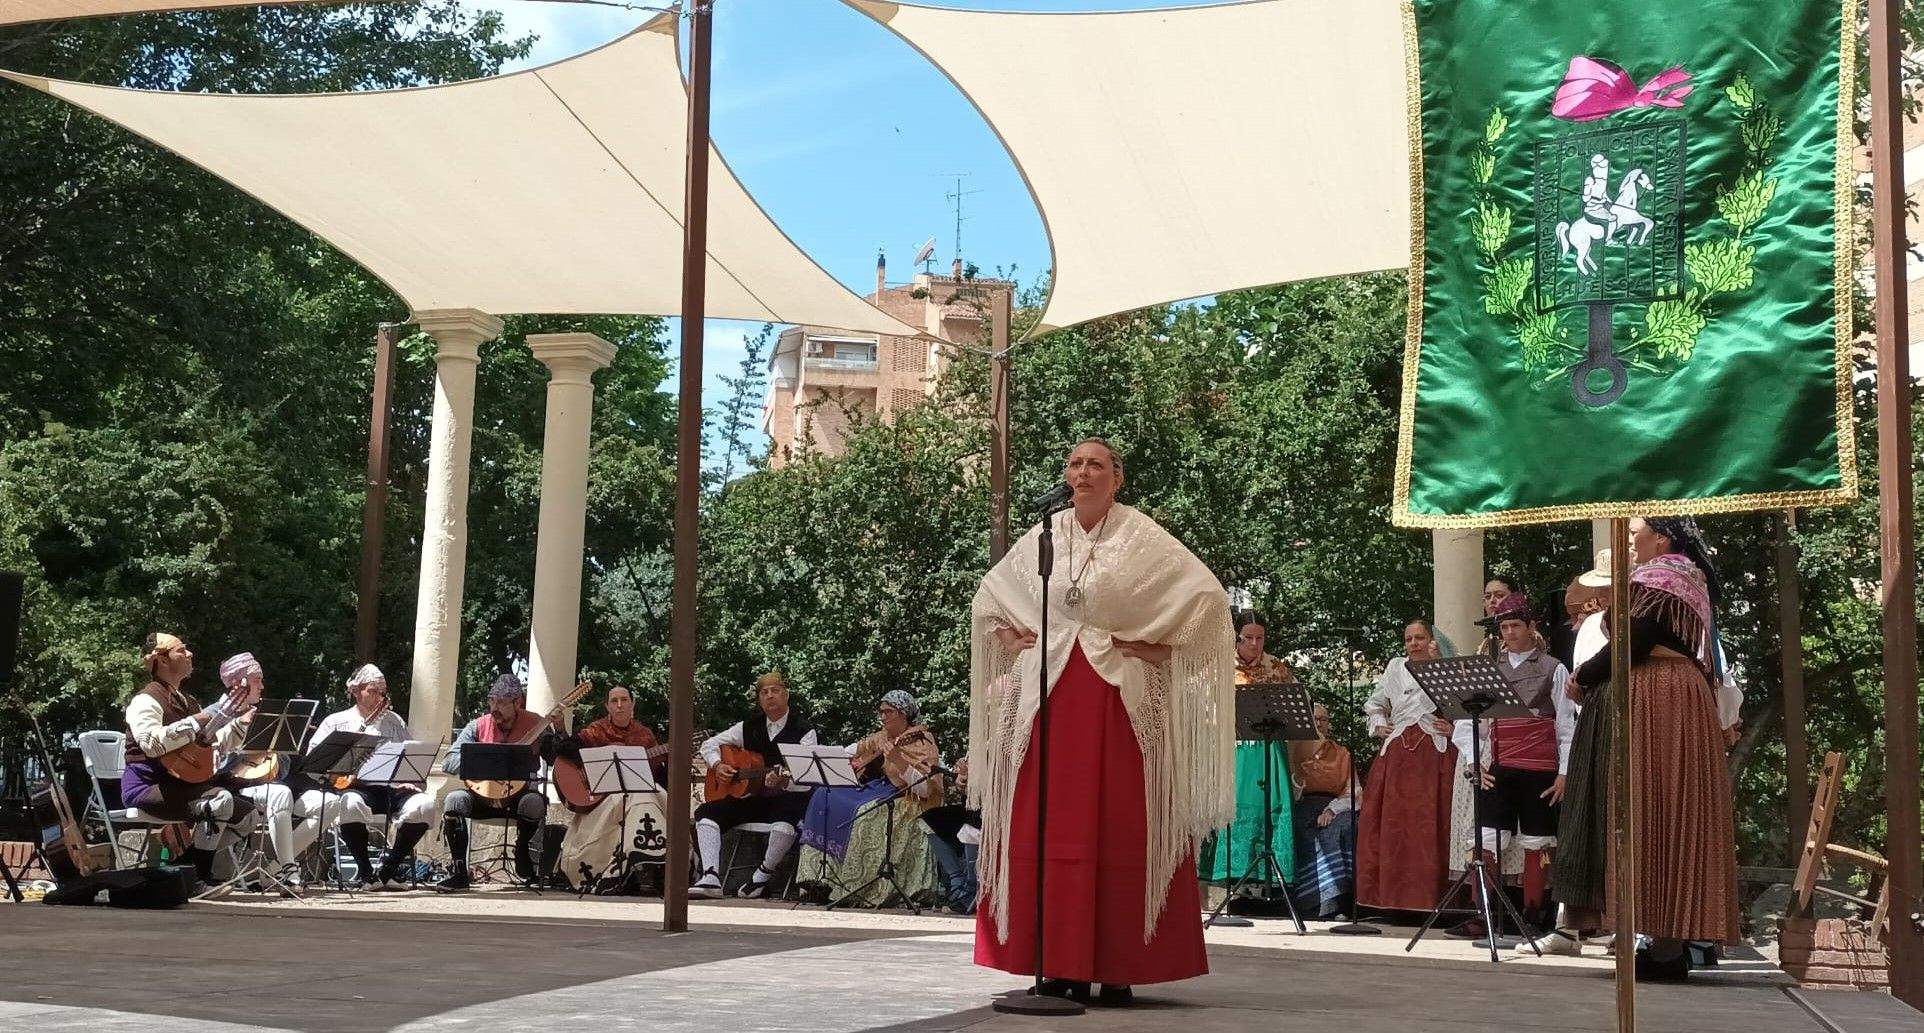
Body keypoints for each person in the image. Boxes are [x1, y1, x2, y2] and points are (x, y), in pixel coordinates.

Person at [970, 438, 1234, 1007]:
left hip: (1118, 701)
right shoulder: (1046, 533)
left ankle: (1119, 965)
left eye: (1095, 464)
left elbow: (1207, 601)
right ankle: (1057, 963)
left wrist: (1158, 647)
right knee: (1052, 827)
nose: (1082, 472)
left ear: (1117, 477)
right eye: (1074, 464)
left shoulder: (1142, 536)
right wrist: (1010, 638)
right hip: (1047, 700)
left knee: (1121, 827)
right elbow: (991, 597)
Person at [1566, 516, 1740, 978]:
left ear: (1661, 538)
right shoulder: (1683, 577)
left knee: (1653, 806)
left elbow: (1634, 639)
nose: (1627, 538)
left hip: (1660, 699)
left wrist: (1584, 674)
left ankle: (1664, 948)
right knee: (1666, 810)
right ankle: (1665, 946)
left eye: (1633, 531)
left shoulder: (1664, 576)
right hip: (1671, 696)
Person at [1450, 595, 1575, 939]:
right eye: (1504, 627)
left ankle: (1534, 916)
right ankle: (1484, 916)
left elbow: (1566, 724)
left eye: (1515, 626)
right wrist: (1476, 762)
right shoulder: (1490, 669)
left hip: (1540, 769)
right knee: (1487, 838)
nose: (1509, 633)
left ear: (1531, 626)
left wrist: (1564, 772)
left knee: (1537, 842)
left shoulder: (1554, 668)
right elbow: (1471, 724)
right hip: (1501, 765)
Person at [119, 632, 260, 888]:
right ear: (162, 660)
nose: (190, 654)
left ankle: (187, 864)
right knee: (219, 801)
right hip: (147, 787)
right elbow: (151, 745)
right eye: (181, 651)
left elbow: (212, 745)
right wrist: (199, 720)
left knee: (249, 817)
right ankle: (199, 877)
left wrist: (240, 722)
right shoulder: (145, 700)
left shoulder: (189, 701)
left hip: (185, 785)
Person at [797, 690, 945, 907]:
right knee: (824, 795)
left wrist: (898, 761)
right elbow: (854, 749)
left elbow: (925, 789)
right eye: (881, 712)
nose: (883, 717)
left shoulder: (922, 741)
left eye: (888, 712)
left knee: (867, 812)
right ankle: (820, 879)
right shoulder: (882, 736)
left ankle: (855, 886)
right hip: (879, 789)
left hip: (908, 800)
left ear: (903, 714)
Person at [297, 663, 438, 888]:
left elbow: (408, 755)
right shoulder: (336, 721)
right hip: (356, 788)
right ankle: (366, 873)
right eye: (373, 690)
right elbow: (315, 761)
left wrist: (410, 779)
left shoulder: (394, 721)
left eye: (382, 691)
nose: (379, 696)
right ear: (355, 691)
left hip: (391, 787)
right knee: (350, 804)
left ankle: (388, 871)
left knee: (425, 805)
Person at [1355, 619, 1457, 914]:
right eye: (1409, 638)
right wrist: (1378, 724)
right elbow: (1374, 704)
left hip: (1434, 752)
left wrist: (1450, 725)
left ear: (1431, 640)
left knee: (1432, 822)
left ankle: (1434, 899)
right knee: (1393, 825)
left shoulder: (1444, 667)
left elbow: (1460, 703)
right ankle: (1392, 900)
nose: (1414, 643)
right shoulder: (1395, 666)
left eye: (1420, 637)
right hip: (1398, 752)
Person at [691, 672, 817, 899]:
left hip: (787, 798)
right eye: (764, 692)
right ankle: (710, 876)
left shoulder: (804, 731)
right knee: (707, 813)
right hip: (753, 797)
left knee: (785, 824)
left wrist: (784, 781)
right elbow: (709, 744)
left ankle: (762, 875)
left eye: (775, 690)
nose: (770, 696)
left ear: (786, 695)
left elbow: (806, 777)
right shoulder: (748, 726)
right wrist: (717, 765)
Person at [437, 674, 565, 890]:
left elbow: (557, 759)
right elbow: (449, 761)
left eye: (502, 702)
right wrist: (484, 765)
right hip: (481, 798)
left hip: (519, 798)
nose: (495, 707)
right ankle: (460, 872)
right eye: (492, 701)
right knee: (454, 800)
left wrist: (559, 729)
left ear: (518, 702)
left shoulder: (536, 724)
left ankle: (523, 851)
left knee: (533, 803)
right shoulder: (477, 726)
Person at [1199, 615, 1294, 890]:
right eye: (1248, 637)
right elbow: (1203, 706)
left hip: (1269, 750)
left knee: (1270, 807)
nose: (1254, 643)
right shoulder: (1218, 666)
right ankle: (1231, 877)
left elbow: (1296, 706)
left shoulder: (1277, 667)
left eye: (1259, 637)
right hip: (1235, 748)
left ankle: (1267, 880)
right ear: (1236, 637)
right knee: (1236, 806)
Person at [555, 685, 669, 892]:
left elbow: (659, 776)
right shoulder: (596, 730)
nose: (619, 705)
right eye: (614, 701)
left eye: (624, 700)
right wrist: (603, 754)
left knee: (659, 795)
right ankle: (620, 869)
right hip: (602, 798)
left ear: (632, 704)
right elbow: (564, 748)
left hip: (638, 794)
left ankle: (655, 861)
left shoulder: (645, 735)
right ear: (607, 706)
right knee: (633, 800)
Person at [1288, 704, 1354, 919]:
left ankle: (1334, 903)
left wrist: (1331, 810)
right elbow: (1289, 791)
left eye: (1323, 719)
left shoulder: (1342, 753)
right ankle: (1305, 904)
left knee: (1339, 830)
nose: (1318, 723)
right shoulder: (1295, 750)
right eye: (1314, 719)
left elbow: (1354, 792)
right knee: (1300, 830)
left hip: (1335, 806)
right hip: (1302, 804)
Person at [921, 758, 980, 914]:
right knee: (929, 818)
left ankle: (970, 888)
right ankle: (956, 881)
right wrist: (962, 779)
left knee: (972, 823)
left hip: (989, 809)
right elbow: (963, 789)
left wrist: (968, 778)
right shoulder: (978, 744)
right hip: (972, 805)